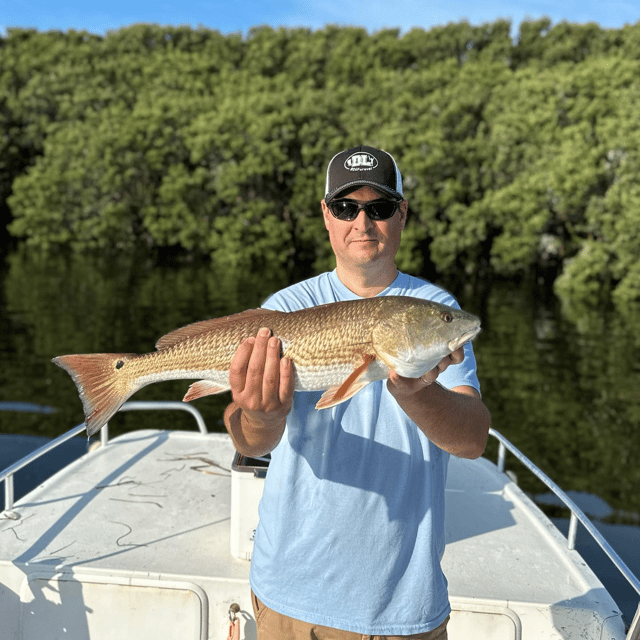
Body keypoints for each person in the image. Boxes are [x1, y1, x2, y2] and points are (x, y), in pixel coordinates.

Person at [224, 145, 491, 640]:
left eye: (380, 207)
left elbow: (472, 440)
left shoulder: (434, 308)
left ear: (402, 214)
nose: (362, 222)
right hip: (290, 599)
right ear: (326, 216)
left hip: (406, 607)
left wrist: (415, 392)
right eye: (346, 207)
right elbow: (248, 442)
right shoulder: (285, 308)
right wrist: (261, 416)